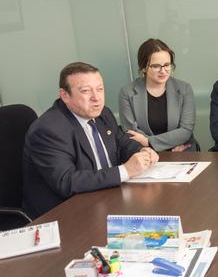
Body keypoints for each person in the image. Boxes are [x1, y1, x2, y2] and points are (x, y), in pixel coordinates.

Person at [23, 62, 158, 219]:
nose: (96, 98)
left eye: (100, 89)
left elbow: (122, 142)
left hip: (106, 198)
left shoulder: (102, 113)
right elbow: (67, 182)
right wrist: (126, 170)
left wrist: (143, 151)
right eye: (86, 91)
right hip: (65, 213)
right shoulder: (48, 130)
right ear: (65, 95)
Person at [119, 38, 196, 152]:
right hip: (144, 152)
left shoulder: (184, 89)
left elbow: (186, 130)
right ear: (144, 68)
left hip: (180, 150)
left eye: (167, 65)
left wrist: (149, 142)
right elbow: (131, 130)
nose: (163, 71)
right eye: (156, 66)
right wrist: (154, 147)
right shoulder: (127, 92)